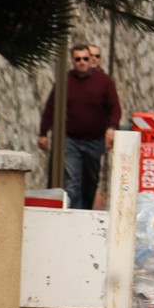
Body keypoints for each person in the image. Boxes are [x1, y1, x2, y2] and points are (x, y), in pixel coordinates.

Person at [39, 42, 123, 210]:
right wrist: (43, 133)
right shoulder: (65, 81)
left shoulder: (104, 82)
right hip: (70, 140)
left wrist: (112, 128)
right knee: (72, 182)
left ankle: (85, 211)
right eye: (78, 59)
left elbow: (115, 108)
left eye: (85, 58)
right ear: (72, 60)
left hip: (95, 140)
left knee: (90, 181)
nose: (82, 62)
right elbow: (51, 107)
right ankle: (74, 215)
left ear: (90, 59)